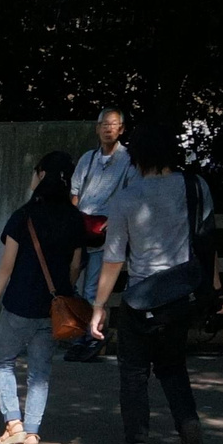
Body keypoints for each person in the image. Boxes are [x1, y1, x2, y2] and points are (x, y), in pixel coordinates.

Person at [88, 116, 223, 444]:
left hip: (141, 298)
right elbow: (208, 242)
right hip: (182, 296)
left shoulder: (128, 198)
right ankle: (188, 424)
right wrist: (218, 291)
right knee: (173, 367)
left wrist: (99, 306)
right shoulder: (196, 187)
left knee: (134, 375)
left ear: (136, 156)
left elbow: (114, 257)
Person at [0, 151, 84, 444]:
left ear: (41, 176)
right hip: (53, 309)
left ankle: (14, 424)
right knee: (40, 372)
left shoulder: (23, 216)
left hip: (19, 303)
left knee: (3, 361)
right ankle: (33, 435)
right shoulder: (74, 218)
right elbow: (76, 266)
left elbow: (6, 266)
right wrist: (63, 290)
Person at [64, 105, 133, 363]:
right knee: (69, 281)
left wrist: (114, 220)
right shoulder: (87, 158)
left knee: (94, 287)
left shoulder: (129, 160)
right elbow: (75, 193)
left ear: (122, 129)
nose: (108, 128)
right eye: (104, 123)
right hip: (81, 228)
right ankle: (80, 331)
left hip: (106, 231)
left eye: (114, 124)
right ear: (97, 128)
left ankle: (93, 337)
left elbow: (131, 195)